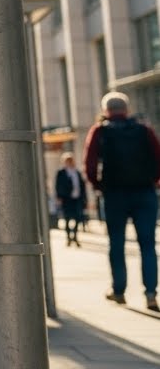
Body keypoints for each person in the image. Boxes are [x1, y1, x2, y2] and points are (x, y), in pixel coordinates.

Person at [84, 92, 159, 312]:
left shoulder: (99, 131)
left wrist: (99, 186)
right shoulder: (144, 129)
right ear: (126, 109)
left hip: (114, 194)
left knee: (116, 243)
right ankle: (151, 294)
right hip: (144, 193)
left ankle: (119, 291)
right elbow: (158, 158)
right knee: (147, 245)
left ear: (106, 110)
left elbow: (89, 165)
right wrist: (153, 181)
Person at [54, 152, 87, 247]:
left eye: (71, 160)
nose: (70, 162)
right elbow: (58, 186)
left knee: (77, 218)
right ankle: (68, 238)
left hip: (77, 199)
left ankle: (75, 237)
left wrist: (84, 199)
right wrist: (59, 197)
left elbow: (82, 186)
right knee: (67, 218)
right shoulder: (61, 172)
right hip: (66, 199)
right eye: (67, 161)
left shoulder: (77, 172)